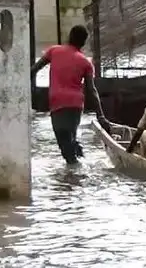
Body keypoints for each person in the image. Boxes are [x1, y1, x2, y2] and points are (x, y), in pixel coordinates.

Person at [31, 25, 110, 166]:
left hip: (57, 102)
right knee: (69, 136)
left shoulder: (54, 51)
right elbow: (91, 90)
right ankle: (79, 164)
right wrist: (101, 115)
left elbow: (34, 69)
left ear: (69, 36)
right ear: (84, 42)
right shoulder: (85, 62)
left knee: (63, 141)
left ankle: (75, 172)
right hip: (75, 105)